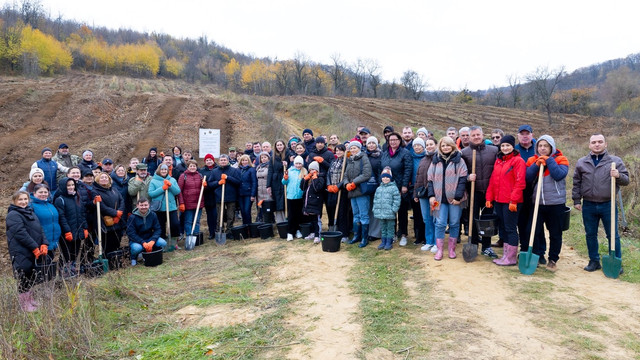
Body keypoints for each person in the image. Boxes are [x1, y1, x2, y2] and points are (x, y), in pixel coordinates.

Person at [572, 134, 629, 273]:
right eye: (594, 142)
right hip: (589, 205)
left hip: (608, 204)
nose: (597, 144)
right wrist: (576, 200)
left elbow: (626, 180)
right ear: (589, 145)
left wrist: (618, 175)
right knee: (590, 234)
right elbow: (577, 182)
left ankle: (615, 261)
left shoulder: (615, 161)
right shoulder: (582, 162)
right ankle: (594, 261)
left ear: (606, 144)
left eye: (600, 142)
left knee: (612, 234)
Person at [525, 135, 569, 271]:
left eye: (546, 146)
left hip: (556, 203)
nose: (543, 148)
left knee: (555, 232)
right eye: (540, 146)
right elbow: (527, 178)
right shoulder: (532, 160)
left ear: (551, 147)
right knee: (534, 230)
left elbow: (558, 175)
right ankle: (537, 255)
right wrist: (537, 164)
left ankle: (553, 259)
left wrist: (549, 161)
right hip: (537, 203)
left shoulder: (561, 159)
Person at [486, 135, 526, 266]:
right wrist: (489, 198)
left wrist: (513, 200)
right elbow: (493, 180)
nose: (505, 148)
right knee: (503, 227)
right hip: (499, 200)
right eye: (503, 145)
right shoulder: (499, 161)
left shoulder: (517, 161)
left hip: (511, 201)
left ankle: (511, 258)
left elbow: (520, 183)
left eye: (507, 145)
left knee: (510, 228)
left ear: (512, 146)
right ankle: (505, 255)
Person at [6, 191, 48, 311]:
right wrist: (34, 247)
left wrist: (44, 243)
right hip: (21, 251)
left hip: (33, 250)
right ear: (14, 201)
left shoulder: (30, 211)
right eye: (20, 200)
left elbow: (40, 229)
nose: (23, 202)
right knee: (23, 276)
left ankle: (30, 299)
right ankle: (24, 304)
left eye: (25, 199)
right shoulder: (13, 214)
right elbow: (20, 233)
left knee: (31, 275)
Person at [461, 126, 499, 258]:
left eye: (478, 135)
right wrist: (467, 178)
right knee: (473, 218)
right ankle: (474, 243)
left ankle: (487, 247)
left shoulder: (494, 150)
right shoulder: (464, 153)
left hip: (489, 192)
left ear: (482, 135)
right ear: (469, 137)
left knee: (488, 220)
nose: (476, 137)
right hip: (473, 191)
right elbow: (460, 173)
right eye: (473, 135)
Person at [427, 137, 468, 260]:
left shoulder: (459, 161)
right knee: (440, 223)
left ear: (452, 146)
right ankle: (439, 250)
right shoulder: (435, 161)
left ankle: (451, 249)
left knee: (455, 223)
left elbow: (462, 179)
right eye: (443, 146)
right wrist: (431, 195)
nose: (445, 148)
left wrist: (458, 196)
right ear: (440, 147)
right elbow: (430, 179)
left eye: (448, 145)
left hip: (455, 198)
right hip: (438, 198)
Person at [380, 132, 412, 246]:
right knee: (390, 212)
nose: (393, 142)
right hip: (388, 188)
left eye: (395, 139)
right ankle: (392, 234)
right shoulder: (384, 154)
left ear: (400, 141)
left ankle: (403, 234)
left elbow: (408, 169)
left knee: (402, 211)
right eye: (390, 140)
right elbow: (381, 169)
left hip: (400, 187)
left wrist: (404, 186)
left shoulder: (405, 153)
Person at [55, 177, 88, 274]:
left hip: (78, 229)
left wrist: (84, 227)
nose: (71, 187)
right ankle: (62, 270)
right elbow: (62, 217)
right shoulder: (60, 200)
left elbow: (82, 214)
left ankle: (72, 268)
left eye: (72, 185)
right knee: (66, 253)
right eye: (68, 185)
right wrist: (67, 231)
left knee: (75, 251)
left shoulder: (77, 197)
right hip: (67, 232)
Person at [343, 141, 373, 248]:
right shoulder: (350, 160)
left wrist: (354, 182)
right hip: (352, 191)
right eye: (351, 148)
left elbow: (366, 174)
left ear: (359, 148)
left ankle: (364, 238)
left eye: (355, 148)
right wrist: (346, 183)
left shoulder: (363, 158)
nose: (353, 150)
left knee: (364, 214)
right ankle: (356, 236)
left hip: (361, 190)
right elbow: (345, 174)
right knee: (356, 214)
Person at [91, 172, 126, 257]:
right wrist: (115, 213)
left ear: (109, 180)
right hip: (104, 221)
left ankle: (116, 259)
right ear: (98, 180)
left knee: (117, 240)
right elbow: (102, 207)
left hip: (117, 220)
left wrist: (119, 213)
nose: (104, 179)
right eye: (102, 178)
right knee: (107, 243)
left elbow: (121, 201)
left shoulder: (114, 189)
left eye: (106, 178)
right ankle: (108, 259)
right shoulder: (95, 191)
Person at [127, 197, 166, 266]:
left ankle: (150, 253)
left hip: (149, 238)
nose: (144, 207)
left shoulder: (153, 215)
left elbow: (158, 229)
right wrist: (142, 242)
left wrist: (153, 240)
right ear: (137, 206)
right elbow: (131, 233)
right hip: (137, 240)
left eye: (145, 205)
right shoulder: (132, 217)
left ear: (149, 205)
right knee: (136, 248)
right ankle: (134, 257)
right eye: (141, 205)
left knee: (162, 243)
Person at [515, 124, 536, 252]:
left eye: (527, 134)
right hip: (520, 191)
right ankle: (523, 248)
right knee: (522, 222)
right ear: (518, 136)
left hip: (536, 190)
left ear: (531, 135)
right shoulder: (515, 150)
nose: (524, 136)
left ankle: (538, 251)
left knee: (536, 223)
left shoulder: (539, 148)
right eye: (522, 134)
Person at [414, 137, 437, 252]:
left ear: (436, 145)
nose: (429, 146)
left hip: (435, 194)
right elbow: (418, 178)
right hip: (423, 195)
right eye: (427, 144)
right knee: (426, 218)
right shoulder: (423, 160)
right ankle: (429, 241)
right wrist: (415, 194)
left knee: (436, 218)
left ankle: (437, 242)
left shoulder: (439, 159)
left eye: (431, 144)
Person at [148, 164, 181, 246]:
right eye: (162, 169)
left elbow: (177, 191)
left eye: (165, 170)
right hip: (159, 208)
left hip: (171, 207)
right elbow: (151, 194)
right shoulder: (153, 180)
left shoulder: (172, 180)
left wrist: (170, 186)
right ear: (159, 170)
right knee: (161, 226)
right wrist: (162, 188)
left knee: (175, 224)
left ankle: (173, 243)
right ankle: (163, 244)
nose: (163, 171)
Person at [209, 155, 241, 234]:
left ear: (228, 161)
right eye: (221, 160)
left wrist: (228, 178)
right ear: (219, 162)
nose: (223, 161)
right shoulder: (214, 171)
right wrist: (218, 182)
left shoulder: (234, 170)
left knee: (231, 215)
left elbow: (238, 182)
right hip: (219, 197)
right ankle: (220, 230)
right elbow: (210, 184)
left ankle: (229, 230)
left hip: (231, 196)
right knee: (220, 215)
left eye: (225, 160)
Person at [326, 144, 350, 243]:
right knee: (331, 208)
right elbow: (328, 174)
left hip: (342, 191)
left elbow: (346, 176)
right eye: (337, 150)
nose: (338, 152)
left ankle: (344, 233)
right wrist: (328, 185)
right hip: (332, 190)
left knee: (342, 212)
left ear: (344, 152)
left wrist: (338, 186)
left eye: (340, 150)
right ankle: (333, 228)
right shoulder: (333, 162)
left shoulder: (347, 162)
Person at [373, 168, 401, 250]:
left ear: (390, 178)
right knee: (383, 227)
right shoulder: (379, 188)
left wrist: (394, 209)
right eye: (384, 177)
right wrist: (375, 209)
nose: (385, 179)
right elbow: (376, 200)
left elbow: (397, 200)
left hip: (390, 213)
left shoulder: (393, 188)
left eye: (387, 177)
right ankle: (383, 241)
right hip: (381, 212)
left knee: (390, 228)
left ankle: (389, 241)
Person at [30, 184, 61, 257]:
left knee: (49, 264)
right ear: (34, 193)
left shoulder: (50, 205)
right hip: (40, 243)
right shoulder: (31, 206)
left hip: (53, 241)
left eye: (45, 192)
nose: (43, 194)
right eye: (40, 192)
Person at [178, 160, 206, 238]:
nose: (193, 167)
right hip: (188, 203)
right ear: (188, 167)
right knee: (188, 221)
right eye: (191, 166)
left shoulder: (200, 175)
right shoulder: (183, 176)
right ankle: (189, 236)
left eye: (194, 166)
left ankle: (196, 236)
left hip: (198, 202)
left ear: (196, 167)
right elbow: (179, 191)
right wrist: (181, 203)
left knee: (196, 221)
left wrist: (205, 185)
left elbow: (203, 190)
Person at [283, 156, 307, 240]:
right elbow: (284, 182)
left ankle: (297, 230)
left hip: (300, 196)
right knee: (291, 215)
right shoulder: (289, 171)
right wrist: (285, 178)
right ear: (294, 163)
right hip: (291, 196)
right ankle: (290, 232)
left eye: (300, 163)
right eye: (296, 163)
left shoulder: (304, 171)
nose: (298, 165)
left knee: (298, 215)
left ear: (302, 164)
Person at [301, 161, 325, 243]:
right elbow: (302, 188)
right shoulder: (309, 179)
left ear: (317, 170)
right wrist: (304, 180)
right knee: (310, 219)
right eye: (310, 170)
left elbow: (317, 188)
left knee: (316, 220)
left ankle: (318, 235)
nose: (311, 171)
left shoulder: (320, 178)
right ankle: (312, 233)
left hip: (316, 203)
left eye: (313, 170)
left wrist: (315, 179)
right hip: (308, 203)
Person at [409, 137, 427, 245]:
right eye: (415, 145)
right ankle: (418, 236)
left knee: (425, 214)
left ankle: (425, 236)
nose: (417, 147)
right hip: (414, 189)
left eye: (419, 145)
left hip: (425, 189)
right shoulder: (411, 157)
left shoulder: (427, 157)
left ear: (423, 146)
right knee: (416, 214)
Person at [365, 137, 382, 242]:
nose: (371, 145)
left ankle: (375, 233)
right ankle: (367, 231)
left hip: (377, 185)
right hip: (366, 187)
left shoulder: (381, 155)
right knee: (368, 209)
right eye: (369, 143)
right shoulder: (364, 155)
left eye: (373, 143)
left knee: (376, 210)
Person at [267, 140, 288, 223]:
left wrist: (287, 165)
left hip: (285, 180)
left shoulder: (288, 154)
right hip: (275, 182)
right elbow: (270, 171)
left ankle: (287, 220)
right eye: (277, 145)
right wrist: (268, 185)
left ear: (284, 145)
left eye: (281, 145)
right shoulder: (273, 157)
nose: (279, 146)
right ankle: (280, 222)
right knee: (277, 201)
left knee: (285, 200)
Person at [199, 154, 218, 239]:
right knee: (209, 215)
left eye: (210, 160)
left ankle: (217, 230)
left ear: (213, 161)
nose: (209, 161)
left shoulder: (217, 169)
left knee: (216, 214)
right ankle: (211, 232)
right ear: (205, 162)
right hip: (207, 196)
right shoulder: (202, 171)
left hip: (216, 195)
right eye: (207, 160)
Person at [236, 155, 257, 225]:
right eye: (243, 160)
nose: (244, 162)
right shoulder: (238, 170)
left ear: (248, 161)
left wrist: (253, 195)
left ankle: (249, 226)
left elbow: (254, 182)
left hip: (248, 193)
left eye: (246, 160)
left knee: (246, 210)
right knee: (242, 211)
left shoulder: (252, 169)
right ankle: (244, 226)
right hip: (240, 194)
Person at [256, 152, 273, 222]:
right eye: (262, 158)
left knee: (269, 206)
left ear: (268, 158)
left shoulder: (270, 166)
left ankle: (271, 221)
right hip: (260, 189)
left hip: (267, 188)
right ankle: (264, 221)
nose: (263, 159)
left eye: (265, 157)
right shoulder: (258, 167)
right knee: (262, 207)